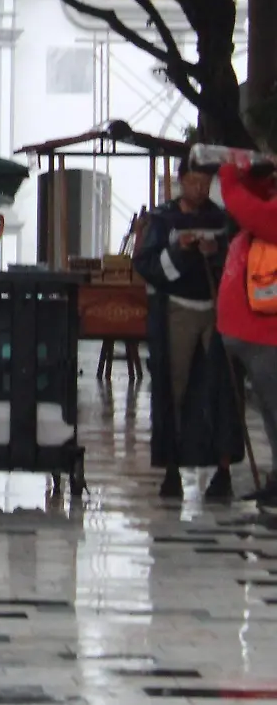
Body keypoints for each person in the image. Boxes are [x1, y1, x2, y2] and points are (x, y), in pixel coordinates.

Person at [135, 160, 242, 500]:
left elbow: (236, 260)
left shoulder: (221, 220)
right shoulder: (163, 219)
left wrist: (215, 254)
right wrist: (179, 251)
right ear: (181, 182)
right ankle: (172, 468)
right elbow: (147, 265)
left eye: (204, 182)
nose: (199, 189)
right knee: (173, 385)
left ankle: (222, 469)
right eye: (193, 181)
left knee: (222, 387)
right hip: (177, 310)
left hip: (215, 310)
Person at [216, 158, 277, 508]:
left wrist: (229, 178)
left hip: (267, 337)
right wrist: (250, 174)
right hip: (254, 337)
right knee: (270, 412)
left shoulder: (266, 218)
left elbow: (247, 208)